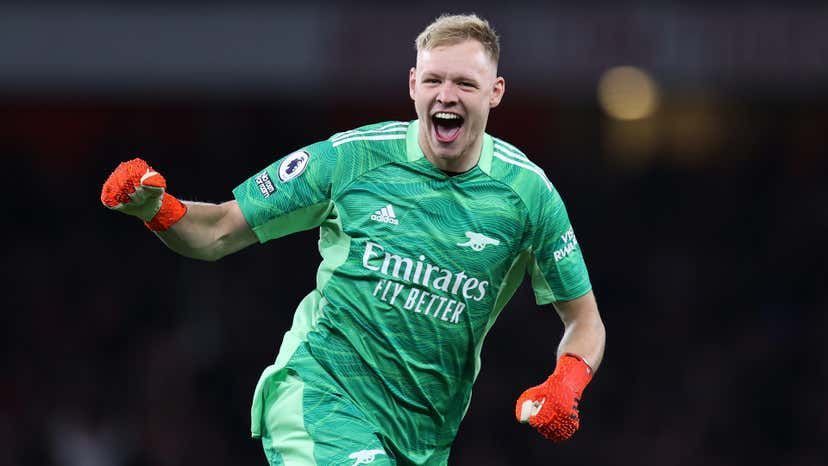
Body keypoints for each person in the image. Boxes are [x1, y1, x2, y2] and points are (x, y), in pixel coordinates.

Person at [101, 13, 606, 466]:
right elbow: (215, 233)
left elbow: (584, 321)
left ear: (495, 92)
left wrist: (568, 381)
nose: (446, 95)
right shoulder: (353, 159)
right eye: (433, 80)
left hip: (423, 440)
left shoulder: (528, 195)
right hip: (321, 393)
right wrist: (158, 209)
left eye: (464, 84)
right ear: (413, 85)